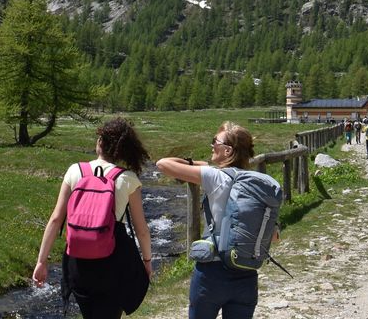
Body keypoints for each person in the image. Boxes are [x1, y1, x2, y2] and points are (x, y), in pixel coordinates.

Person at [33, 117, 154, 319]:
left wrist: (41, 261)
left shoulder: (75, 171)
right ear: (122, 150)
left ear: (100, 142)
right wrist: (147, 261)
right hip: (113, 262)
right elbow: (141, 230)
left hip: (78, 261)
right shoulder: (128, 179)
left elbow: (56, 219)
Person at [157, 122, 271, 319]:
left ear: (227, 151)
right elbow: (274, 235)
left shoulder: (214, 176)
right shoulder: (258, 183)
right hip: (246, 271)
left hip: (212, 273)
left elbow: (162, 163)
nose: (211, 146)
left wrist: (194, 163)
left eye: (215, 142)